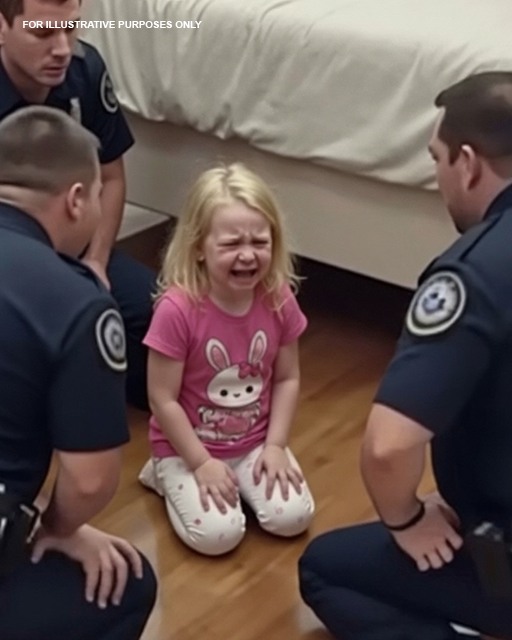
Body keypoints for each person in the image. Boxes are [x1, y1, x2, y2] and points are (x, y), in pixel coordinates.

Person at [298, 71, 512, 640]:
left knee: (326, 569)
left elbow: (389, 447)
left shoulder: (476, 273)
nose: (438, 176)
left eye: (437, 159)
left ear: (468, 164)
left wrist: (409, 518)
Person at [0, 106, 156, 639]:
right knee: (128, 582)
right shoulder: (76, 302)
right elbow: (90, 480)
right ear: (75, 200)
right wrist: (56, 527)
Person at [138, 163, 315, 555]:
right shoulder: (177, 309)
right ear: (198, 248)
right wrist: (201, 463)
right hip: (186, 448)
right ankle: (163, 475)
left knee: (293, 519)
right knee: (220, 537)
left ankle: (236, 485)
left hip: (254, 443)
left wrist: (275, 446)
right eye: (232, 244)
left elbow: (287, 378)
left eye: (260, 242)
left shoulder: (278, 297)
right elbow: (162, 399)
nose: (248, 255)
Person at [0, 0, 156, 409]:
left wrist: (97, 263)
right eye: (42, 33)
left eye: (71, 28)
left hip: (76, 251)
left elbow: (111, 178)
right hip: (8, 261)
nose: (62, 49)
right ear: (1, 27)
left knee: (161, 316)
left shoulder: (86, 70)